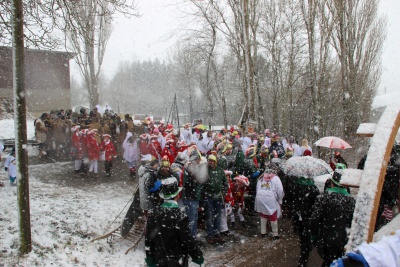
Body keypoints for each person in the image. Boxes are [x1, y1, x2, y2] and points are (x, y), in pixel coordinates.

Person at [145, 177, 204, 267]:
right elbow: (187, 239)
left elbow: (149, 238)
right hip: (176, 259)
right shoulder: (179, 215)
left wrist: (150, 256)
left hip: (159, 258)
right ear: (177, 196)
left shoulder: (153, 214)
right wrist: (197, 255)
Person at [311, 171, 356, 267]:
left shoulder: (322, 198)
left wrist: (314, 237)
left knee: (328, 262)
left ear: (332, 183)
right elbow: (354, 223)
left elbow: (314, 219)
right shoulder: (352, 201)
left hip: (326, 240)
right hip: (344, 241)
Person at [286, 175, 320, 267]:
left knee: (302, 236)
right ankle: (304, 255)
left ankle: (303, 254)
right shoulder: (313, 188)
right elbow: (316, 204)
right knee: (306, 236)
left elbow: (290, 199)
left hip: (298, 216)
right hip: (308, 217)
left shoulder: (294, 186)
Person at [203, 155, 228, 244]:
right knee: (209, 216)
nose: (211, 163)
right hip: (209, 197)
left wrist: (223, 193)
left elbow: (225, 183)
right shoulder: (205, 170)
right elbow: (202, 184)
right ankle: (210, 235)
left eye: (212, 161)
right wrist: (205, 195)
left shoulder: (220, 170)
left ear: (215, 162)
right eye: (209, 161)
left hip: (218, 197)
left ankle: (217, 233)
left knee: (218, 216)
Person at [181, 148, 205, 238]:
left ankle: (192, 236)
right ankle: (190, 238)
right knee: (192, 219)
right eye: (199, 158)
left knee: (193, 218)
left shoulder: (190, 166)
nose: (200, 160)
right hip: (191, 197)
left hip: (192, 196)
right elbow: (197, 181)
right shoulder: (191, 168)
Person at [254, 168, 284, 239]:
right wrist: (280, 200)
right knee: (273, 215)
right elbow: (280, 190)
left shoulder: (261, 178)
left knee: (264, 214)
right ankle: (275, 234)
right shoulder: (276, 178)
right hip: (270, 199)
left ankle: (263, 232)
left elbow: (257, 189)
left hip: (260, 197)